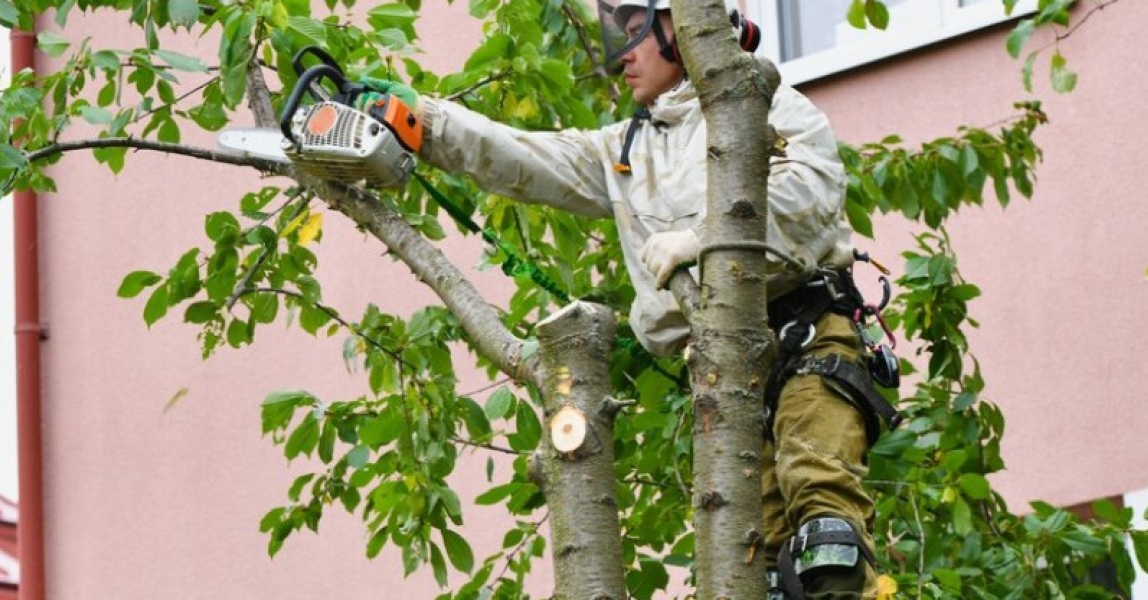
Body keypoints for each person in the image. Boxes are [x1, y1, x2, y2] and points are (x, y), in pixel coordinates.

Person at [359, 1, 898, 597]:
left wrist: (704, 241)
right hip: (725, 375)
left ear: (681, 29)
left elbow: (809, 196)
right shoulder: (628, 149)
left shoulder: (762, 102)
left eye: (636, 33)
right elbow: (525, 157)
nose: (622, 59)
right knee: (761, 564)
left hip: (806, 337)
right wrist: (423, 123)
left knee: (826, 529)